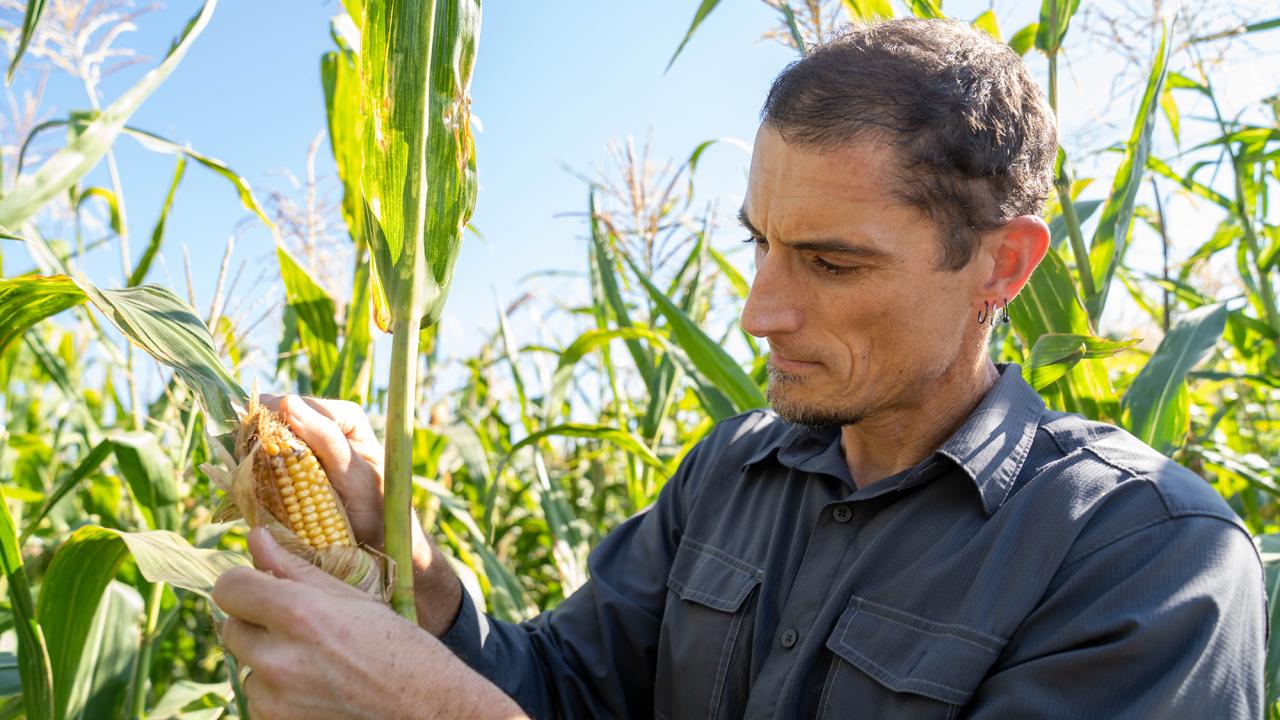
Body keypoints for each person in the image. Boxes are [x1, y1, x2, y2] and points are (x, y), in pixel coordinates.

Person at [213, 17, 1266, 720]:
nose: (760, 309)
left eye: (831, 262)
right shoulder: (727, 477)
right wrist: (427, 591)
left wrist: (434, 710)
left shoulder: (1148, 564)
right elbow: (569, 692)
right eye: (759, 241)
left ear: (1000, 263)